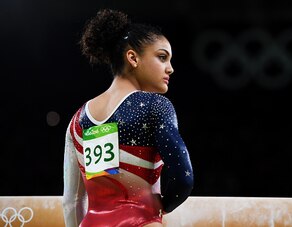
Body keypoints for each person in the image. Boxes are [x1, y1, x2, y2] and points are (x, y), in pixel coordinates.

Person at [62, 8, 194, 227]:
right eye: (162, 57)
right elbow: (184, 178)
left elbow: (71, 201)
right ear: (133, 57)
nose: (170, 69)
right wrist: (164, 205)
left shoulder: (77, 120)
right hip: (141, 221)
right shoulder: (155, 106)